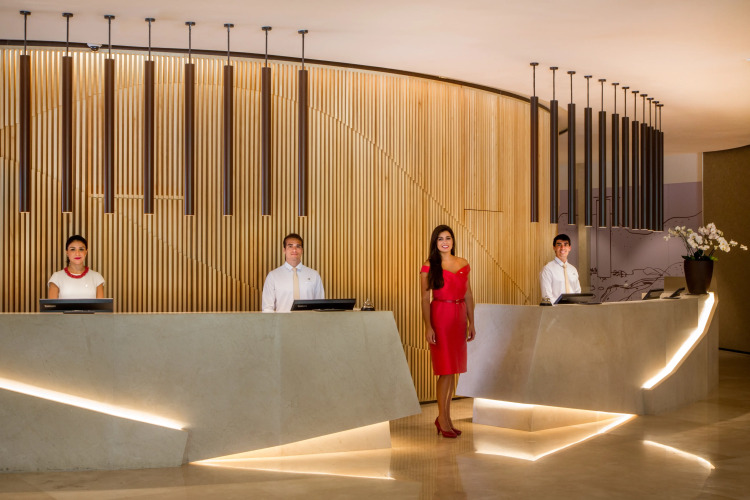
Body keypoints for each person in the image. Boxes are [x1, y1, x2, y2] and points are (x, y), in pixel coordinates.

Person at [420, 225, 476, 438]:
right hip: (440, 316)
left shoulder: (463, 263)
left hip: (459, 317)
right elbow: (425, 299)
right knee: (445, 370)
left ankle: (447, 417)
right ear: (435, 243)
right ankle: (442, 418)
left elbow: (468, 295)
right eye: (440, 239)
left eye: (448, 238)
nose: (445, 242)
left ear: (453, 241)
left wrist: (472, 322)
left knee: (453, 370)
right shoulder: (429, 265)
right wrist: (428, 326)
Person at [262, 233, 325, 312]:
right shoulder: (273, 276)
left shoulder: (314, 275)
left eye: (298, 246)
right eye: (290, 246)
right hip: (282, 320)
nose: (294, 250)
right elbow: (267, 308)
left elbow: (320, 306)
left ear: (302, 250)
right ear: (284, 250)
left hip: (308, 319)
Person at [540, 233, 582, 303]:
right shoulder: (547, 269)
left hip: (573, 308)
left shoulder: (573, 269)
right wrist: (560, 308)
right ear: (554, 248)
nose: (562, 248)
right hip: (555, 309)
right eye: (559, 245)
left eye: (565, 245)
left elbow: (578, 292)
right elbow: (547, 296)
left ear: (569, 248)